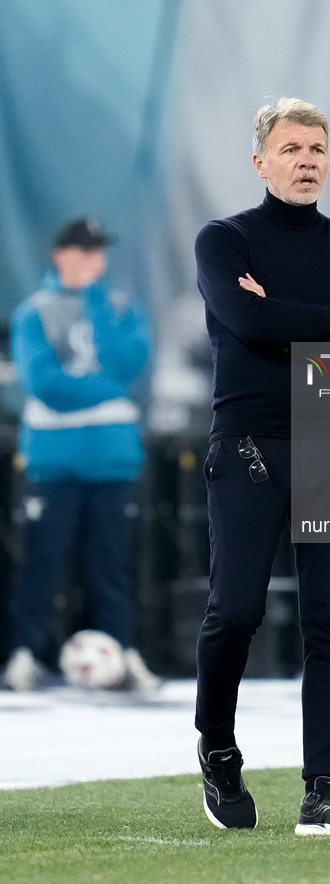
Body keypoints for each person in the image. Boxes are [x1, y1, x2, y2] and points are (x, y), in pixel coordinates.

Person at [194, 97, 330, 834]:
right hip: (248, 442)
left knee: (329, 621)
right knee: (238, 611)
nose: (307, 160)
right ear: (261, 162)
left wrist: (292, 316)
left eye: (316, 148)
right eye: (291, 149)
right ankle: (216, 747)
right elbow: (245, 321)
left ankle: (323, 789)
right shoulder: (224, 241)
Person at [3, 218, 158, 692]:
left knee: (112, 565)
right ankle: (24, 653)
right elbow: (44, 384)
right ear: (60, 254)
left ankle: (123, 650)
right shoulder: (35, 312)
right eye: (82, 250)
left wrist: (94, 303)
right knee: (43, 563)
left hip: (112, 460)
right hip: (54, 462)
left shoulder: (121, 307)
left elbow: (127, 363)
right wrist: (105, 389)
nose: (93, 260)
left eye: (98, 251)